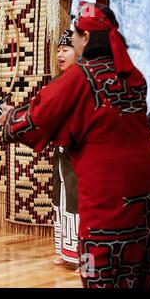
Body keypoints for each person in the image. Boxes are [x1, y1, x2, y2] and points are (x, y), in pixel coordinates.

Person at [0, 2, 150, 288]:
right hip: (146, 191)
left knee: (97, 266)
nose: (70, 40)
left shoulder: (81, 76)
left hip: (107, 191)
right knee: (143, 265)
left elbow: (37, 118)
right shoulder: (134, 76)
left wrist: (8, 119)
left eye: (74, 33)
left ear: (85, 38)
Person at [52, 30, 80, 270]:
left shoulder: (85, 80)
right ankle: (64, 249)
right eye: (58, 51)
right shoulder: (55, 81)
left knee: (76, 199)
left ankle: (82, 255)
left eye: (66, 50)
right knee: (60, 196)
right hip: (61, 152)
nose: (60, 54)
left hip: (79, 152)